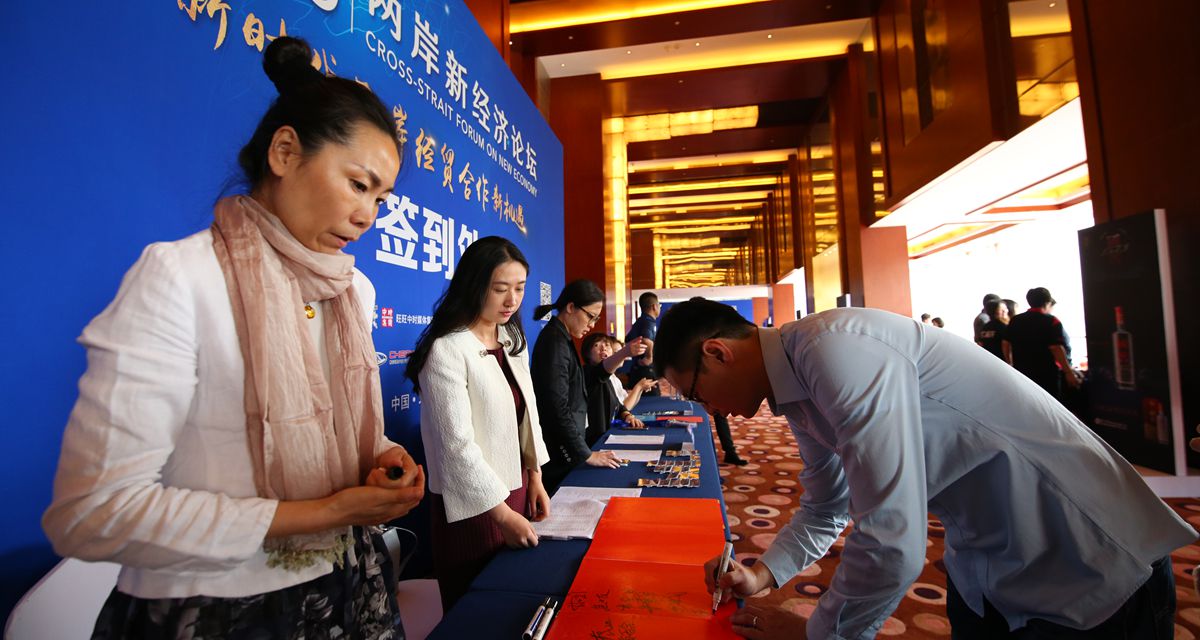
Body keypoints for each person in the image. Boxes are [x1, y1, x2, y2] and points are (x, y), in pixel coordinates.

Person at [42, 37, 424, 639]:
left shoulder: (354, 292)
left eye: (381, 198)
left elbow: (338, 430)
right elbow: (93, 513)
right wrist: (321, 513)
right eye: (358, 184)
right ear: (284, 151)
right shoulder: (181, 276)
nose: (368, 215)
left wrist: (380, 457)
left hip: (353, 586)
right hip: (221, 610)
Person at [654, 297, 1194, 640]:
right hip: (987, 568)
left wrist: (819, 634)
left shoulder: (834, 350)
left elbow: (892, 539)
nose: (707, 410)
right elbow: (826, 506)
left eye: (696, 394)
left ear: (718, 353)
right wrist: (762, 574)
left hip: (1084, 561)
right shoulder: (794, 388)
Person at [404, 236, 552, 610]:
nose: (512, 300)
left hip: (516, 489)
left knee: (515, 604)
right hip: (471, 506)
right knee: (475, 611)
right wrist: (501, 516)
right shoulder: (447, 349)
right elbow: (456, 447)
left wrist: (535, 475)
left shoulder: (511, 337)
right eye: (500, 289)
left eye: (520, 288)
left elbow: (527, 413)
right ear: (474, 286)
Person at [531, 280, 622, 492]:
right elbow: (556, 406)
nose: (592, 325)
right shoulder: (555, 342)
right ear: (571, 307)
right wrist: (586, 454)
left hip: (566, 447)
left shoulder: (562, 337)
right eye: (591, 316)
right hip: (558, 452)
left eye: (596, 319)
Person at [1004, 287, 1082, 401]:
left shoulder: (1015, 320)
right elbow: (1056, 348)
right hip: (1047, 373)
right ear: (1048, 302)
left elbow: (1006, 343)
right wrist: (1068, 372)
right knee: (1050, 404)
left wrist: (1010, 363)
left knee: (1027, 402)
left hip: (1022, 372)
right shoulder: (1052, 321)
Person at [581, 333, 651, 445]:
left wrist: (628, 416)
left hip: (605, 437)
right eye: (596, 345)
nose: (603, 348)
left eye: (607, 345)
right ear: (587, 354)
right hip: (592, 443)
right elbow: (601, 370)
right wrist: (625, 352)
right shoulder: (587, 372)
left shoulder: (608, 379)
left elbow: (618, 406)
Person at [626, 291, 662, 397]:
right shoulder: (649, 322)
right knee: (653, 401)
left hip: (636, 369)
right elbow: (646, 340)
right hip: (645, 370)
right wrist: (649, 357)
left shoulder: (639, 321)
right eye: (659, 305)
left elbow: (627, 339)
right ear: (654, 306)